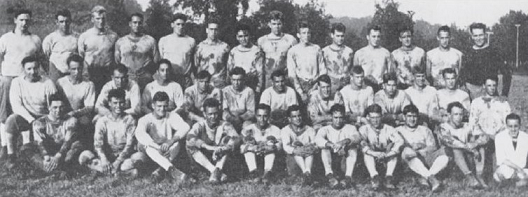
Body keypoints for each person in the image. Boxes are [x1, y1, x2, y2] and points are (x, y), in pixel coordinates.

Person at [0, 9, 43, 157]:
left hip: (26, 80)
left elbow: (40, 60)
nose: (24, 23)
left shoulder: (35, 39)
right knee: (5, 112)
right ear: (15, 20)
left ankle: (28, 144)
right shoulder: (5, 39)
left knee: (25, 111)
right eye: (21, 20)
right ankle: (5, 146)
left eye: (27, 20)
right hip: (8, 78)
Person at [79, 89, 147, 177]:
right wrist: (104, 159)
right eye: (115, 103)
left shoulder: (130, 120)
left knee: (139, 157)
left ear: (125, 103)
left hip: (124, 157)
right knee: (84, 156)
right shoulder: (102, 121)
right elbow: (97, 144)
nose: (118, 106)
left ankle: (107, 172)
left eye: (121, 102)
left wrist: (118, 162)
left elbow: (129, 145)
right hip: (107, 156)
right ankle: (118, 173)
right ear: (109, 103)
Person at [4, 56, 58, 168]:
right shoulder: (17, 82)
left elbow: (53, 105)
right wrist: (31, 120)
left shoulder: (47, 82)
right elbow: (16, 105)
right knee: (11, 120)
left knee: (42, 145)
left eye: (35, 68)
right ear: (24, 69)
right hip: (26, 118)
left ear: (39, 68)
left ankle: (43, 156)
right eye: (29, 69)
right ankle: (11, 156)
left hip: (44, 118)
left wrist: (45, 120)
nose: (32, 72)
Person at [21, 94, 82, 177]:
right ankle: (49, 168)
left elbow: (68, 141)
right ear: (49, 107)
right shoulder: (40, 122)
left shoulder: (71, 120)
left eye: (61, 107)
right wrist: (46, 157)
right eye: (55, 107)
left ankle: (52, 170)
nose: (58, 110)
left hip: (63, 151)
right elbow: (39, 143)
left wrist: (57, 157)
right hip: (48, 150)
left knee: (77, 145)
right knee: (26, 148)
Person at [186, 98, 240, 184]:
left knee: (227, 140)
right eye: (210, 114)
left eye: (215, 113)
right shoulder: (200, 125)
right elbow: (189, 137)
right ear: (204, 114)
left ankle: (218, 169)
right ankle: (215, 171)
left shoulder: (224, 124)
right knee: (190, 144)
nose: (213, 117)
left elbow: (236, 139)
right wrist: (210, 147)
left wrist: (222, 149)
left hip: (221, 158)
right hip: (205, 160)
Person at [436, 102, 489, 189]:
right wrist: (470, 148)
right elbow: (451, 142)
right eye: (455, 114)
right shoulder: (443, 127)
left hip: (465, 157)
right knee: (456, 149)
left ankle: (479, 175)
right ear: (449, 115)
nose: (459, 117)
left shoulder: (466, 126)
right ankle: (469, 177)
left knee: (480, 147)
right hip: (449, 157)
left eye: (461, 114)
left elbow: (485, 137)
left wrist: (475, 143)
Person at [397, 104, 448, 192]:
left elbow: (433, 147)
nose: (412, 119)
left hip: (425, 158)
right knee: (408, 153)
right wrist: (413, 149)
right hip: (408, 160)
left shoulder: (425, 130)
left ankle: (426, 176)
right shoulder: (398, 130)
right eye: (409, 116)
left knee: (444, 158)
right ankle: (432, 178)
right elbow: (398, 147)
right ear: (404, 117)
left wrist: (421, 148)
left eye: (414, 116)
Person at [460, 23, 511, 99]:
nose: (478, 38)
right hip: (472, 93)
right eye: (475, 36)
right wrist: (464, 89)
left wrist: (504, 93)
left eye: (480, 35)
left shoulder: (494, 52)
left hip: (491, 92)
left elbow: (507, 73)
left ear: (485, 35)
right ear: (472, 37)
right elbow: (462, 75)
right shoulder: (467, 53)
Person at [315, 104, 362, 189]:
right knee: (324, 149)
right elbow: (318, 139)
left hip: (345, 159)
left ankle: (348, 177)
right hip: (331, 159)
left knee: (353, 148)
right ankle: (330, 177)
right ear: (331, 117)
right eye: (335, 118)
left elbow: (357, 137)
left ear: (344, 118)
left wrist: (344, 142)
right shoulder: (325, 129)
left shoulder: (350, 128)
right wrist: (331, 145)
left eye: (341, 117)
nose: (338, 121)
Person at [359, 104, 403, 190]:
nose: (375, 121)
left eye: (377, 117)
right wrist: (373, 153)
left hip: (386, 157)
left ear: (382, 116)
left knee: (394, 154)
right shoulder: (364, 129)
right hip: (371, 158)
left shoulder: (388, 128)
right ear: (368, 117)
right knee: (367, 154)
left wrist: (390, 153)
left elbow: (400, 141)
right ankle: (374, 177)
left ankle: (388, 177)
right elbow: (361, 142)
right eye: (372, 118)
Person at [56, 54, 96, 146]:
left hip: (80, 114)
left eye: (79, 69)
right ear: (68, 69)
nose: (77, 72)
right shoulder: (61, 82)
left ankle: (82, 145)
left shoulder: (88, 84)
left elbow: (89, 106)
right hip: (62, 112)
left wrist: (75, 113)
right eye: (73, 69)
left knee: (85, 122)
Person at [78, 5, 118, 93]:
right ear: (92, 19)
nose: (101, 21)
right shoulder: (85, 36)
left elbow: (117, 57)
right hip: (90, 74)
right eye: (98, 18)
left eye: (103, 18)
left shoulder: (113, 36)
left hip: (107, 74)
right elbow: (81, 57)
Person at [115, 13, 159, 90]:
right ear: (130, 24)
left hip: (144, 78)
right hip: (127, 78)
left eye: (140, 23)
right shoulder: (120, 41)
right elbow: (118, 61)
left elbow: (156, 61)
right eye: (135, 22)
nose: (137, 25)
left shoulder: (150, 40)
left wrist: (147, 73)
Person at [240, 104, 282, 183]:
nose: (262, 119)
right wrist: (253, 148)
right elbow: (241, 147)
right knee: (248, 145)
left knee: (270, 144)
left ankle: (267, 173)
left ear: (269, 116)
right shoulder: (249, 128)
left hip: (269, 158)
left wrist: (270, 147)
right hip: (254, 159)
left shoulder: (275, 129)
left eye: (265, 116)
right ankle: (253, 173)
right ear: (255, 116)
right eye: (259, 116)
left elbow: (280, 145)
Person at [257, 10, 298, 89]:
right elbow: (259, 65)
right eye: (274, 24)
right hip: (269, 80)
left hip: (285, 79)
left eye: (279, 24)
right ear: (269, 24)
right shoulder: (262, 41)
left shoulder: (290, 40)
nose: (277, 26)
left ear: (283, 24)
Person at [287, 22, 326, 103]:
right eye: (303, 33)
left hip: (315, 85)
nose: (306, 35)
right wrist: (301, 92)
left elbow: (322, 70)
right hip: (299, 86)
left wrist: (315, 87)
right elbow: (292, 74)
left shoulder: (316, 49)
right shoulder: (293, 51)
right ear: (298, 35)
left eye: (308, 33)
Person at [281, 105, 317, 185]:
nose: (298, 118)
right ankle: (305, 173)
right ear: (289, 119)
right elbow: (286, 146)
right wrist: (295, 150)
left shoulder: (309, 129)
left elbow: (315, 143)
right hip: (294, 156)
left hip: (308, 156)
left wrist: (308, 148)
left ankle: (307, 173)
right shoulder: (286, 130)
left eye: (299, 115)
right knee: (295, 154)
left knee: (309, 153)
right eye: (294, 116)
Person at [158, 13, 196, 89]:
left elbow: (193, 62)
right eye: (178, 24)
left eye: (183, 25)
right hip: (168, 79)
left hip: (184, 79)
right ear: (172, 25)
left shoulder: (191, 41)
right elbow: (161, 61)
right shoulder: (164, 40)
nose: (180, 27)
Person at [469, 75, 511, 139]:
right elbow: (473, 122)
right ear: (484, 86)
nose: (492, 88)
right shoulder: (476, 102)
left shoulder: (503, 103)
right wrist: (484, 136)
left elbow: (507, 123)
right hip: (481, 138)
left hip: (499, 137)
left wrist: (497, 136)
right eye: (489, 85)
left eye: (494, 85)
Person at [42, 9, 78, 82]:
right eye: (61, 22)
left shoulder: (77, 37)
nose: (64, 24)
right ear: (56, 22)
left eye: (66, 21)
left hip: (71, 71)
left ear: (70, 21)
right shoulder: (50, 38)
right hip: (56, 71)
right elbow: (45, 56)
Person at [353, 25, 392, 92]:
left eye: (378, 36)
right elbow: (355, 74)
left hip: (380, 88)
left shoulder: (386, 53)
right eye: (373, 36)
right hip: (364, 89)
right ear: (368, 37)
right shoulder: (359, 53)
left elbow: (390, 74)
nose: (376, 39)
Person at [227, 23, 264, 93]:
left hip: (252, 84)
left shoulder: (256, 51)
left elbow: (260, 72)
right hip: (236, 85)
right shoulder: (234, 51)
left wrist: (258, 88)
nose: (243, 39)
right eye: (240, 36)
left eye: (246, 36)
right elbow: (229, 71)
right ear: (237, 37)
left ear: (250, 36)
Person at [493, 113, 528, 187]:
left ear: (520, 126)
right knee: (501, 172)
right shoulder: (499, 137)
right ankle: (517, 183)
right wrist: (518, 169)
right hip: (507, 168)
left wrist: (521, 171)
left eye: (516, 126)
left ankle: (511, 184)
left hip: (521, 169)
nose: (513, 129)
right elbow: (502, 159)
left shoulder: (525, 137)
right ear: (506, 126)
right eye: (510, 126)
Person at [195, 19, 230, 89]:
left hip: (220, 83)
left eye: (216, 29)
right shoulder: (200, 46)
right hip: (204, 83)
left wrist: (226, 81)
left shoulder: (225, 47)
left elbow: (228, 66)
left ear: (218, 31)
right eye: (211, 29)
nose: (213, 32)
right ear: (207, 30)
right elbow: (196, 66)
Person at [322, 23, 354, 93]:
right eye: (338, 36)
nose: (340, 38)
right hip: (330, 87)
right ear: (332, 35)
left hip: (346, 87)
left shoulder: (349, 51)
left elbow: (351, 71)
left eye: (342, 36)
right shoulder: (325, 51)